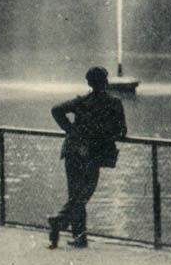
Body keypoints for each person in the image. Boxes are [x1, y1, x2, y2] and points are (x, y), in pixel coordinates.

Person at [48, 65, 127, 249]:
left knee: (75, 194)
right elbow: (122, 131)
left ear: (89, 83)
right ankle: (60, 221)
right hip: (91, 153)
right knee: (84, 193)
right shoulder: (114, 103)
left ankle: (78, 236)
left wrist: (71, 130)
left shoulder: (81, 101)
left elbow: (56, 110)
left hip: (72, 149)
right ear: (106, 82)